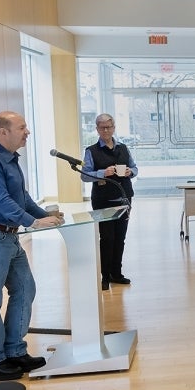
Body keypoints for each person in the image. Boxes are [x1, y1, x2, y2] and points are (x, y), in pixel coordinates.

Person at [0, 112, 62, 381]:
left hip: (8, 236)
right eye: (22, 128)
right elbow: (0, 201)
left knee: (24, 288)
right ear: (2, 132)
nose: (27, 132)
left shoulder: (10, 159)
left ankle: (14, 351)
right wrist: (33, 222)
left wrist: (45, 216)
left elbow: (22, 198)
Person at [82, 114, 138, 290]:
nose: (106, 130)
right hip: (103, 200)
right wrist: (102, 173)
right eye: (102, 127)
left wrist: (131, 172)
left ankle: (117, 273)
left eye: (109, 127)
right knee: (107, 238)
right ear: (97, 129)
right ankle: (105, 276)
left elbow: (135, 168)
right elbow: (84, 175)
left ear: (114, 127)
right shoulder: (91, 151)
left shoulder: (123, 148)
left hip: (124, 198)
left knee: (120, 238)